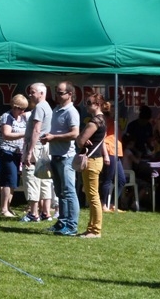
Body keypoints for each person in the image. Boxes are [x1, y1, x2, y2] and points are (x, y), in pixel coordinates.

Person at [41, 80, 80, 236]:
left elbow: (75, 134)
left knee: (69, 192)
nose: (57, 95)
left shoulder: (71, 112)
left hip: (66, 157)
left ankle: (72, 226)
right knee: (60, 193)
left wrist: (53, 137)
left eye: (60, 93)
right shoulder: (57, 109)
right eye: (56, 92)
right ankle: (62, 222)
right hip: (56, 155)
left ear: (70, 94)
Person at [21, 82, 54, 222]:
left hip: (36, 147)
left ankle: (33, 213)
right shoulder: (47, 107)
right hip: (45, 147)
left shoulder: (39, 108)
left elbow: (36, 130)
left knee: (31, 176)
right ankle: (46, 213)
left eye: (33, 92)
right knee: (45, 179)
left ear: (42, 93)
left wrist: (29, 151)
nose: (30, 94)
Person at [75, 92, 107, 238]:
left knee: (93, 197)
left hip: (92, 161)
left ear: (97, 104)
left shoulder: (94, 122)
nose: (86, 106)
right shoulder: (102, 120)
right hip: (96, 160)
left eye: (89, 103)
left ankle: (95, 230)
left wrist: (81, 138)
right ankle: (91, 228)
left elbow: (80, 141)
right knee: (92, 195)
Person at [0, 94, 28, 217]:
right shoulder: (6, 117)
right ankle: (3, 208)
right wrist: (24, 134)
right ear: (14, 107)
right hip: (7, 151)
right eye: (21, 109)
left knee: (13, 181)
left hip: (18, 153)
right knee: (8, 180)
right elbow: (6, 134)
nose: (22, 111)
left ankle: (8, 207)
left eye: (24, 109)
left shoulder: (22, 118)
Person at [100, 101, 125, 212]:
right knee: (107, 180)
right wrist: (105, 154)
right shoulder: (106, 121)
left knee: (121, 180)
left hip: (117, 152)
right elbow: (102, 138)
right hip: (110, 151)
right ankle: (103, 204)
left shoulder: (114, 121)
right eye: (113, 106)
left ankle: (113, 204)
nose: (115, 109)